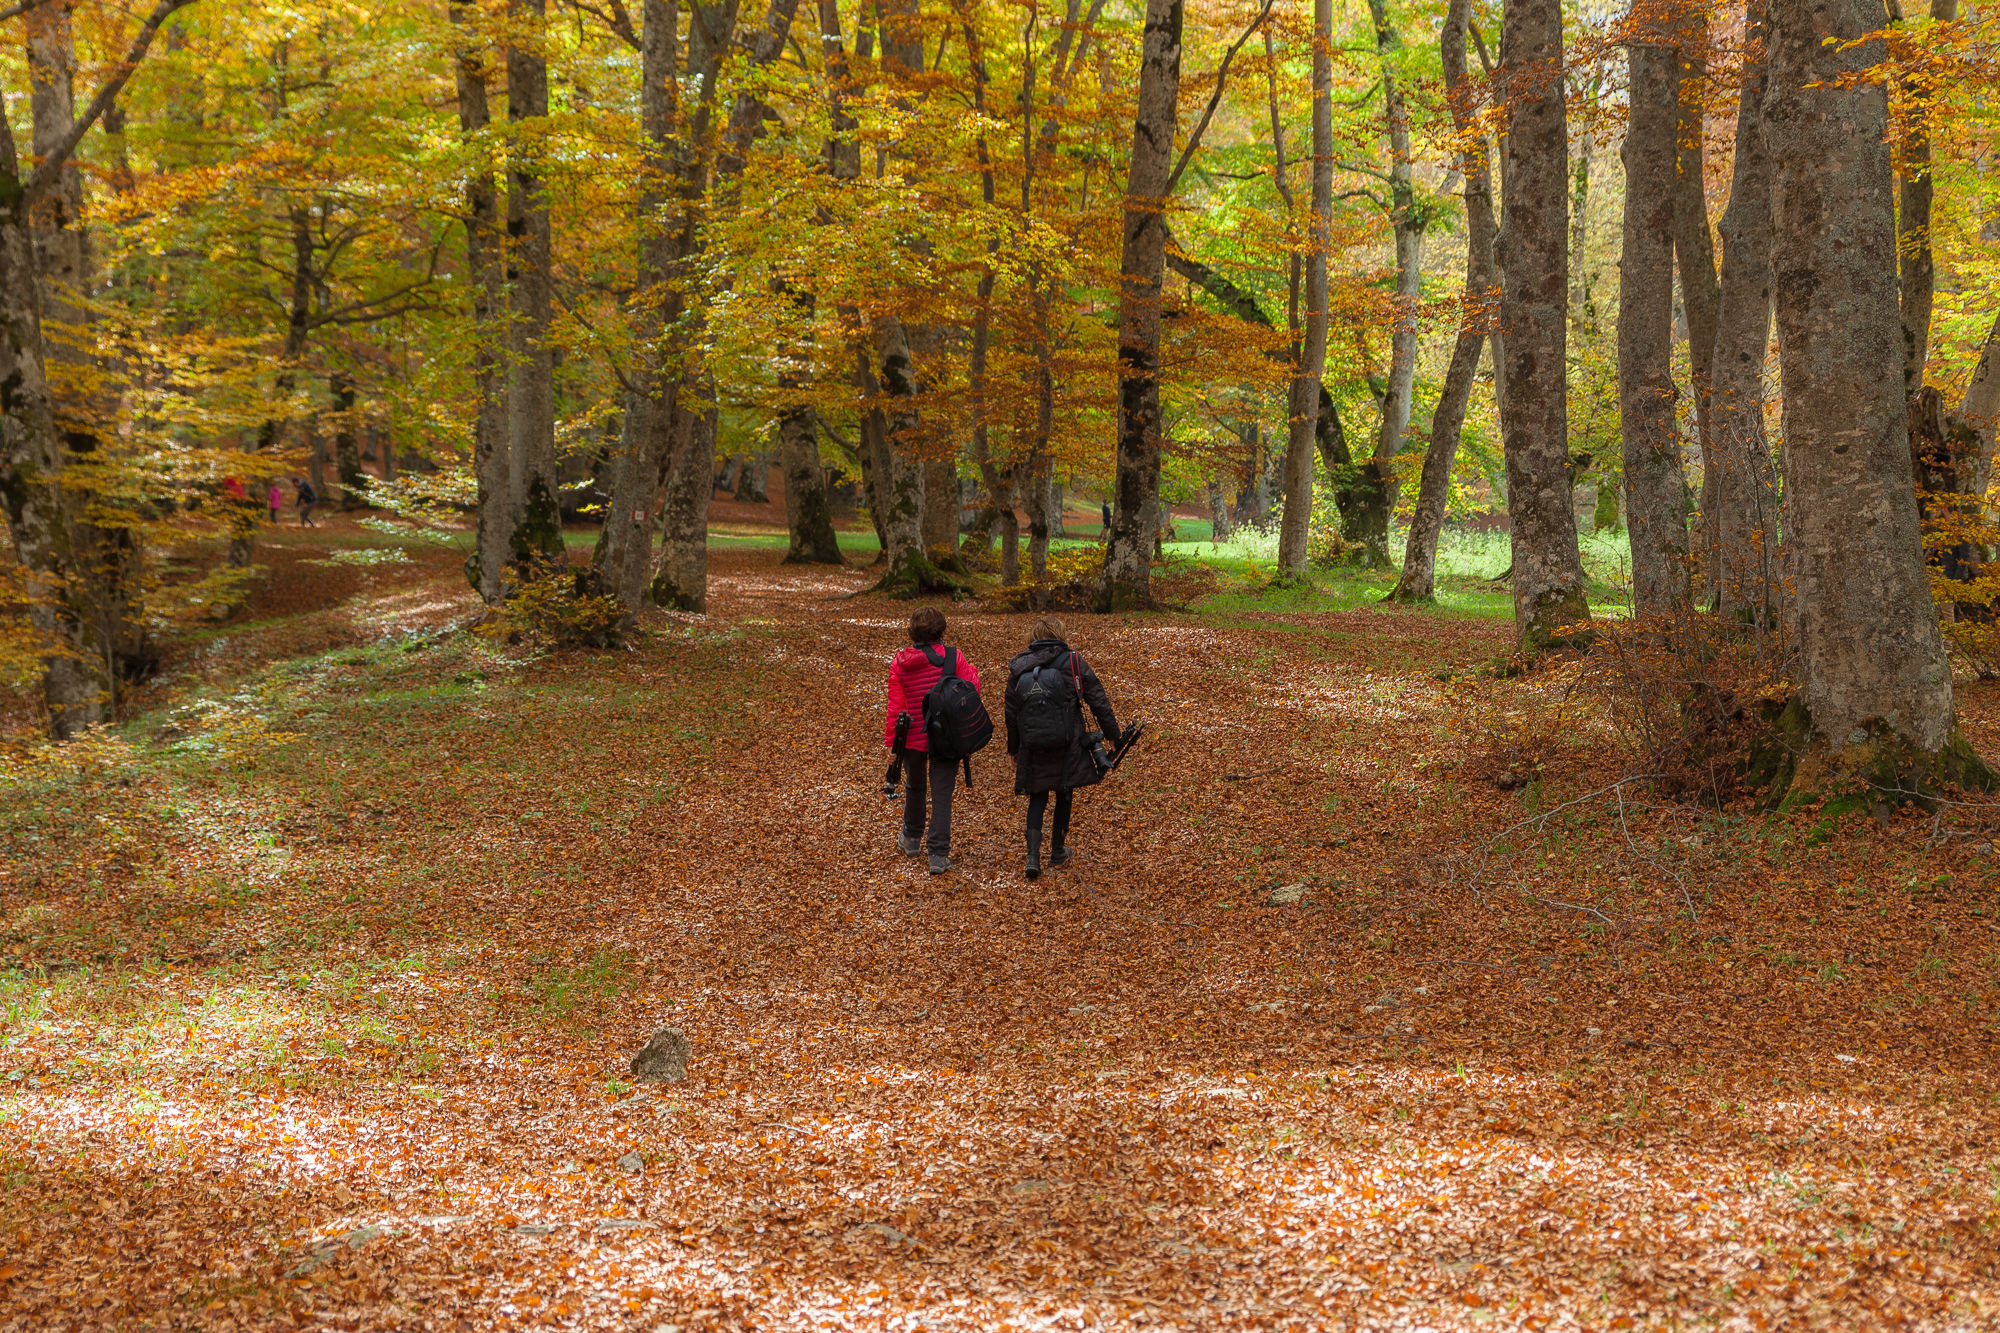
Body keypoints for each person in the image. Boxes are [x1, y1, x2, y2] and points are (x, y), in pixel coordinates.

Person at [1004, 615, 1120, 881]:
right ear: (1060, 634)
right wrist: (1112, 734)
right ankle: (1057, 850)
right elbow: (1097, 698)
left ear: (1033, 638)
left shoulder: (1021, 667)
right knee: (1064, 790)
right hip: (1069, 741)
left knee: (1038, 795)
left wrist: (1014, 749)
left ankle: (1032, 857)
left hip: (1033, 744)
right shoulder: (1072, 661)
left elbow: (1011, 713)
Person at [883, 607, 982, 875]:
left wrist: (894, 746)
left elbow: (896, 707)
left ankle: (912, 839)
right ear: (941, 629)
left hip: (913, 736)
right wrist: (970, 670)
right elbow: (971, 690)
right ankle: (938, 854)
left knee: (915, 786)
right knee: (941, 795)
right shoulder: (953, 657)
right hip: (946, 736)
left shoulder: (900, 662)